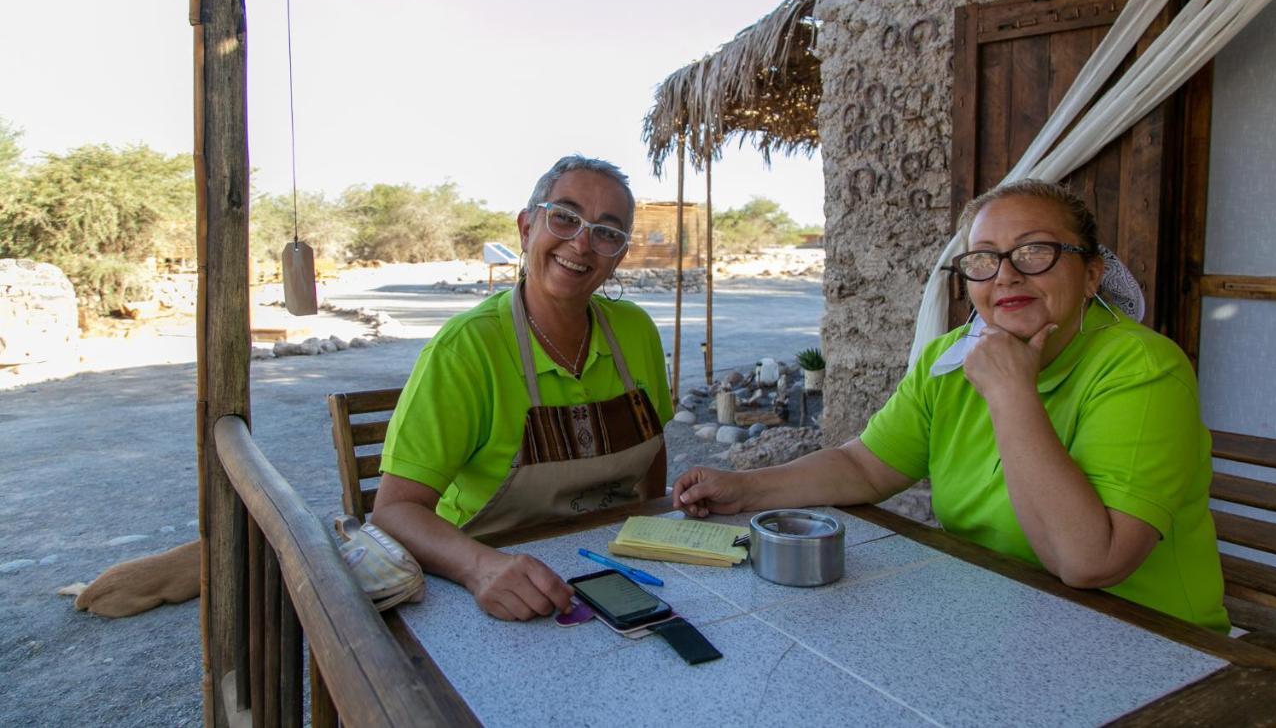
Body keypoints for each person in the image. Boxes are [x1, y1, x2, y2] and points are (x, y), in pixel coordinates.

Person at [673, 179, 1228, 632]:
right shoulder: (950, 359)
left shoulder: (1141, 368)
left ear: (1091, 275)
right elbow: (866, 466)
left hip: (1146, 640)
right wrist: (745, 486)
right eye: (983, 259)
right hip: (998, 618)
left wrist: (1012, 392)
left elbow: (1091, 562)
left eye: (1035, 251)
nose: (1007, 273)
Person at [372, 155, 674, 621]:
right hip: (486, 577)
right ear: (527, 227)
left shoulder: (636, 331)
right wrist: (479, 568)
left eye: (607, 232)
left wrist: (653, 523)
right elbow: (394, 511)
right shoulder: (468, 348)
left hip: (609, 568)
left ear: (619, 257)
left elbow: (654, 450)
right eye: (565, 218)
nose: (582, 243)